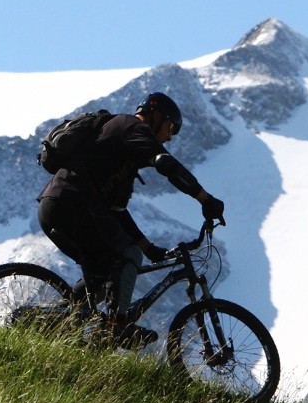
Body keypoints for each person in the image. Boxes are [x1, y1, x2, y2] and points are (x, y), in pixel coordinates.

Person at [37, 91, 225, 347]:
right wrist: (206, 199)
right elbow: (168, 165)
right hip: (72, 205)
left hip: (60, 208)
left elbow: (117, 213)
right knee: (127, 255)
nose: (169, 137)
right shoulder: (131, 127)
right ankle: (117, 327)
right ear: (156, 116)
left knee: (104, 278)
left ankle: (50, 323)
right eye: (170, 128)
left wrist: (149, 248)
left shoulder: (123, 156)